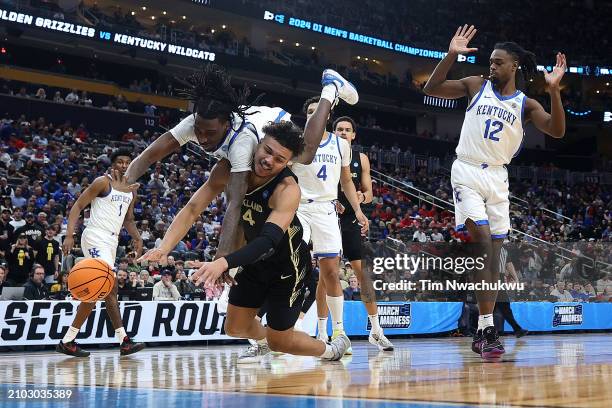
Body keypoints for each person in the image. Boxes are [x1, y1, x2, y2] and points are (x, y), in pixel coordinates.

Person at [424, 25, 566, 361]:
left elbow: (558, 131)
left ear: (514, 65)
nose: (492, 66)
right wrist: (451, 54)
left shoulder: (526, 104)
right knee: (483, 245)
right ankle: (487, 327)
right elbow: (433, 87)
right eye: (490, 61)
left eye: (498, 62)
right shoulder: (476, 85)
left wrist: (555, 92)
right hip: (468, 170)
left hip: (498, 179)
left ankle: (483, 330)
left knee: (494, 260)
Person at [128, 65, 356, 266]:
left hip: (272, 127)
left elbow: (234, 205)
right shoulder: (195, 124)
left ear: (226, 125)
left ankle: (330, 89)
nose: (203, 139)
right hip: (253, 134)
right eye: (199, 132)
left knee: (305, 156)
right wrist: (122, 185)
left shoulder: (242, 146)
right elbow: (149, 156)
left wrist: (222, 258)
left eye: (210, 133)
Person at [190, 121, 350, 362]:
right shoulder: (238, 170)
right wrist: (164, 248)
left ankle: (331, 350)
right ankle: (264, 343)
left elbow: (267, 241)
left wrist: (224, 262)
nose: (269, 160)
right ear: (258, 144)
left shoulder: (287, 188)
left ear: (287, 163)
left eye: (279, 159)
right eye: (267, 151)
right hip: (255, 262)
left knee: (280, 341)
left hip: (288, 268)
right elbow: (194, 207)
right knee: (234, 328)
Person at [293, 98, 368, 355]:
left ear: (327, 115)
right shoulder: (295, 141)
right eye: (309, 111)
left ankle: (339, 332)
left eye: (319, 111)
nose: (314, 115)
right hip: (299, 207)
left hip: (326, 209)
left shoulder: (340, 144)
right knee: (292, 267)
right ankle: (285, 326)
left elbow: (346, 181)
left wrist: (357, 211)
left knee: (331, 273)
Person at [57, 148, 145, 357]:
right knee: (105, 286)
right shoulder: (102, 182)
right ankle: (123, 341)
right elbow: (78, 206)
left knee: (103, 290)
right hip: (95, 236)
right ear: (113, 164)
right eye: (120, 162)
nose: (124, 165)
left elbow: (129, 220)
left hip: (112, 240)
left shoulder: (131, 190)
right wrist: (70, 235)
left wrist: (138, 238)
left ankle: (69, 340)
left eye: (127, 162)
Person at [332, 115, 393, 351]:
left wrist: (360, 197)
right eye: (339, 129)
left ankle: (376, 330)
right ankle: (329, 332)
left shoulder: (362, 159)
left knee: (363, 274)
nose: (343, 132)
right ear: (333, 132)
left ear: (354, 135)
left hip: (350, 219)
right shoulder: (324, 154)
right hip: (327, 218)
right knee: (329, 275)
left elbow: (370, 194)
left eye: (348, 129)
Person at [494, 245, 528, 337]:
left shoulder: (503, 249)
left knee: (503, 306)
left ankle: (517, 329)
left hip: (499, 277)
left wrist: (516, 278)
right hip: (490, 277)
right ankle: (517, 329)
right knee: (500, 306)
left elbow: (509, 263)